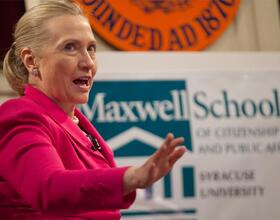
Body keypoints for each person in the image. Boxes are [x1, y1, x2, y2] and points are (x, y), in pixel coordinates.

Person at [0, 0, 186, 219]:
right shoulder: (21, 116)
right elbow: (49, 188)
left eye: (91, 48)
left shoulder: (78, 124)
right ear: (31, 61)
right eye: (70, 47)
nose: (88, 62)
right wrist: (133, 177)